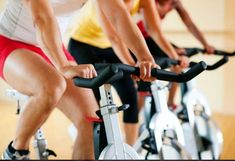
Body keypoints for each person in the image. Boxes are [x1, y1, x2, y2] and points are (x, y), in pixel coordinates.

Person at [0, 0, 157, 159]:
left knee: (92, 123)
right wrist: (63, 65)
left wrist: (144, 57)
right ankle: (16, 151)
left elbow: (118, 15)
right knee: (53, 85)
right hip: (10, 41)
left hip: (52, 47)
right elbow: (42, 17)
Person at [135, 0, 215, 109]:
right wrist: (174, 53)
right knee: (176, 59)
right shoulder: (150, 2)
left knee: (178, 61)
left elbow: (189, 24)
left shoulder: (175, 3)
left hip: (153, 38)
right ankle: (137, 111)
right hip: (139, 39)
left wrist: (206, 44)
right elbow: (152, 30)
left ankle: (170, 102)